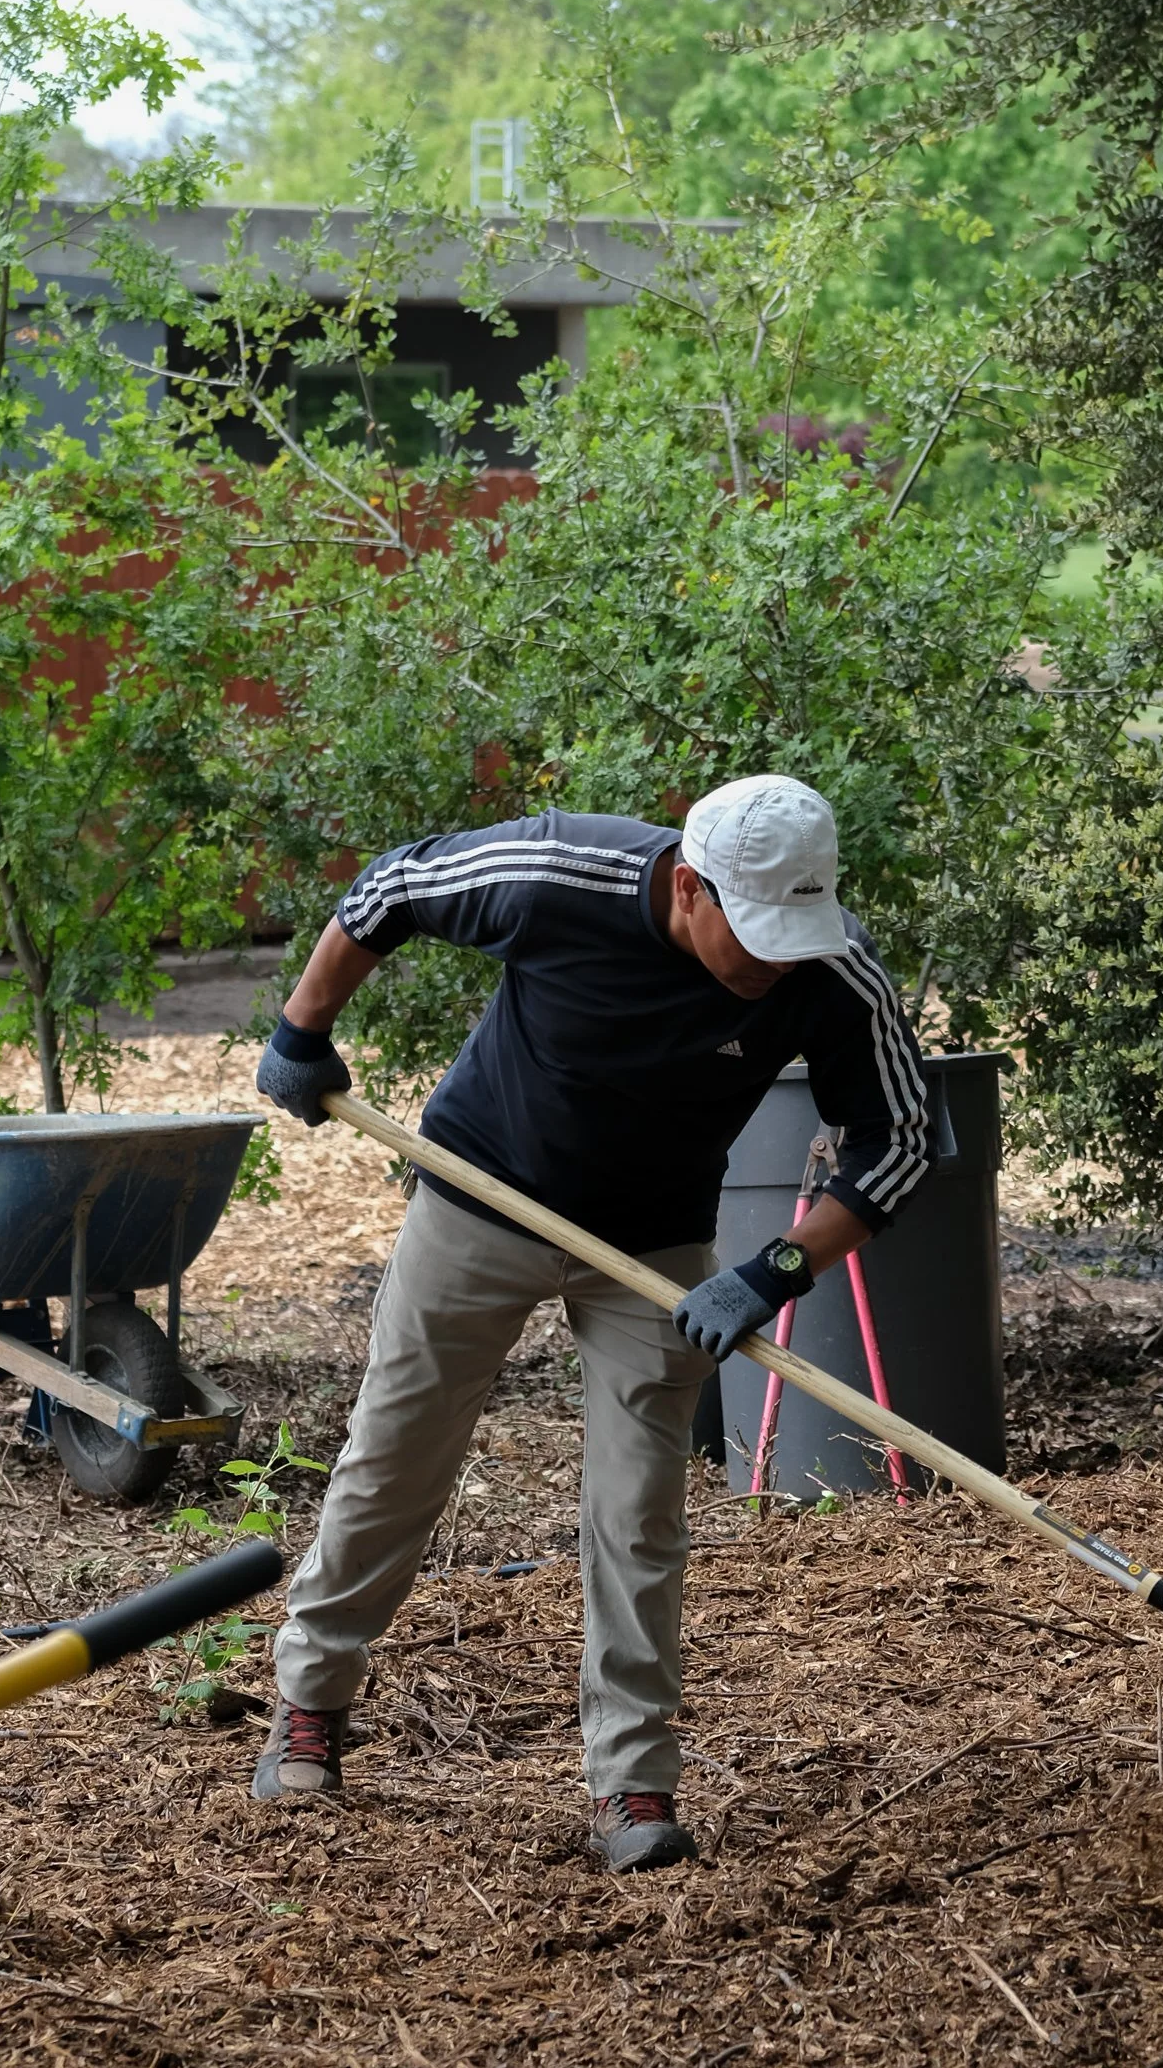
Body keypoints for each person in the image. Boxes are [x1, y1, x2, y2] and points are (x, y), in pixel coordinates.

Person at [249, 773, 931, 1870]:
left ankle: (633, 1783)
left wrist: (774, 1268)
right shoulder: (559, 874)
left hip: (653, 1251)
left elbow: (895, 1143)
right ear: (691, 887)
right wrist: (302, 1028)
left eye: (788, 938)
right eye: (748, 936)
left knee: (639, 1506)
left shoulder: (828, 966)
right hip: (481, 1194)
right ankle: (309, 1702)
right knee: (398, 1454)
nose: (767, 966)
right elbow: (391, 890)